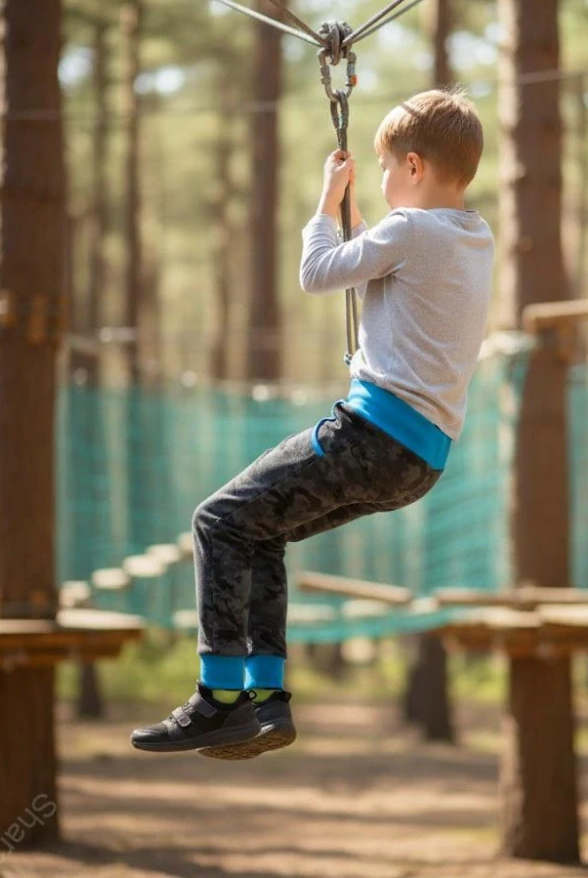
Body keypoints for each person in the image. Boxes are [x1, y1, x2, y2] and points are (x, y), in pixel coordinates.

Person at [131, 87, 495, 759]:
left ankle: (217, 699)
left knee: (217, 520)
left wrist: (326, 206)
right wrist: (357, 213)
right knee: (260, 532)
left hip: (372, 435)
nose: (381, 182)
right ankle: (266, 702)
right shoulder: (472, 236)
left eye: (385, 169)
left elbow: (318, 272)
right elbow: (389, 255)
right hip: (421, 461)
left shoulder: (409, 231)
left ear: (414, 166)